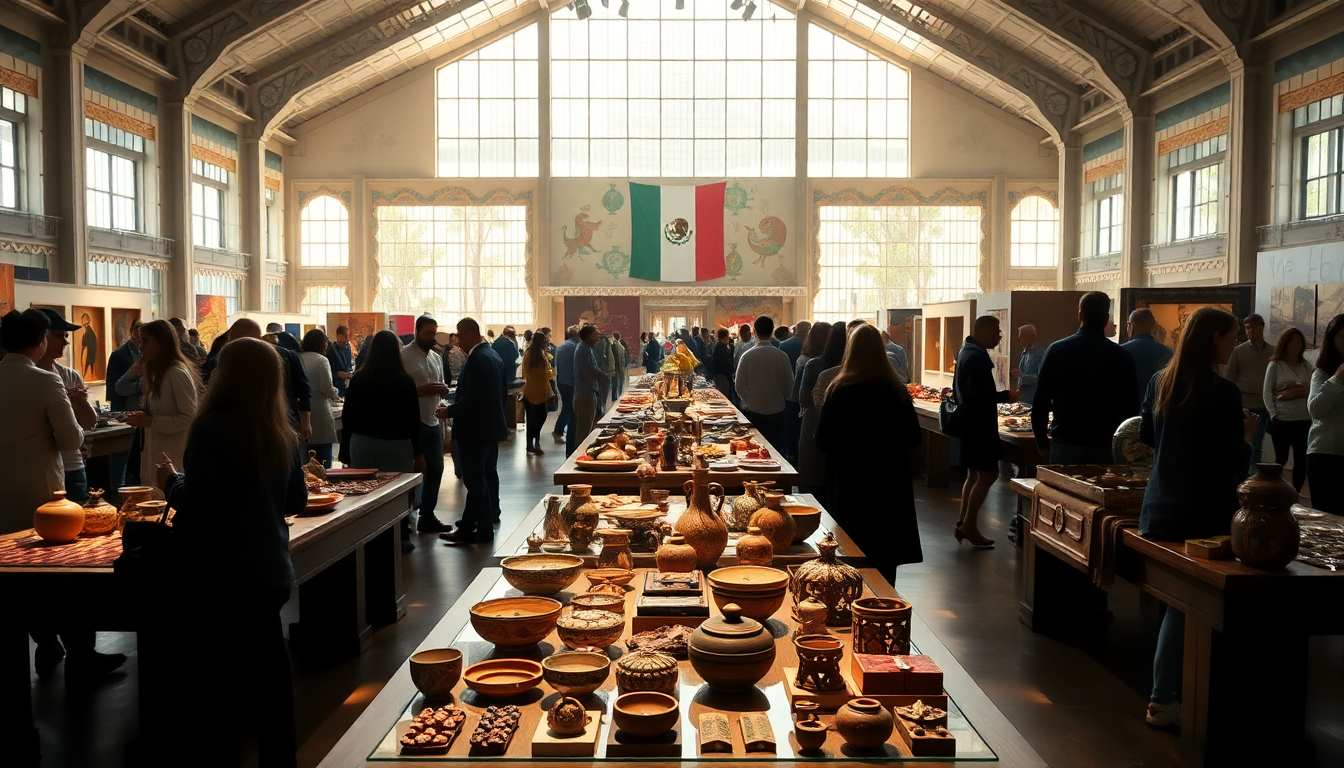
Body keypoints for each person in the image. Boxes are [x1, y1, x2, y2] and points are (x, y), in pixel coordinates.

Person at [158, 337, 306, 766]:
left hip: (220, 572)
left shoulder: (211, 427)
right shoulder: (281, 429)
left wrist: (173, 482)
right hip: (269, 568)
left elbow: (201, 504)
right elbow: (294, 502)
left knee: (217, 686)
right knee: (270, 685)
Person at [1138, 307, 1255, 728]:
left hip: (1161, 504)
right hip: (1203, 509)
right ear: (1213, 339)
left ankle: (1169, 691)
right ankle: (1165, 697)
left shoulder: (1161, 380)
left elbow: (1146, 437)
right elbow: (1231, 459)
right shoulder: (1221, 390)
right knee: (1188, 604)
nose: (1235, 343)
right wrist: (1246, 438)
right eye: (1231, 336)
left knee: (1177, 601)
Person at [1, 309, 126, 679]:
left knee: (12, 578)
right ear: (40, 340)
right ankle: (82, 655)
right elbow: (72, 438)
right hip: (43, 493)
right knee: (65, 575)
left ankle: (43, 639)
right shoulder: (44, 381)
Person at [816, 325, 921, 582]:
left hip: (851, 481)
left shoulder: (839, 390)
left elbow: (822, 440)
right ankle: (883, 610)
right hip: (889, 482)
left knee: (850, 552)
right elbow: (914, 438)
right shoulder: (896, 391)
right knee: (885, 558)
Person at [1031, 292, 1139, 464]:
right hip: (1106, 444)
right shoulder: (1122, 356)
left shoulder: (1057, 350)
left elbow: (1040, 401)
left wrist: (1041, 441)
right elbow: (1132, 406)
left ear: (1080, 315)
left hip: (1066, 442)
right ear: (1106, 319)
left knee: (1063, 490)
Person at [439, 318, 508, 544]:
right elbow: (501, 394)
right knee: (485, 477)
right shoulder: (493, 355)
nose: (458, 341)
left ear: (470, 333)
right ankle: (484, 529)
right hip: (490, 428)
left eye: (459, 335)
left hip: (475, 430)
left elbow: (473, 400)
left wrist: (449, 411)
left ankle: (468, 528)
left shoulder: (477, 359)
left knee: (475, 480)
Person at [953, 316, 1017, 549]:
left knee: (973, 475)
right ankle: (969, 525)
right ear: (985, 329)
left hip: (970, 425)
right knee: (988, 475)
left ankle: (963, 522)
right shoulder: (977, 356)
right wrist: (1005, 396)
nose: (999, 335)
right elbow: (980, 396)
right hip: (980, 426)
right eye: (996, 330)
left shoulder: (966, 351)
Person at [125, 320, 201, 485]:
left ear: (162, 343)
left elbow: (189, 419)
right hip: (154, 459)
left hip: (173, 461)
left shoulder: (177, 374)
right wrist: (144, 417)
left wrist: (152, 421)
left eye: (146, 341)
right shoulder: (156, 374)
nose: (140, 347)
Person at [339, 330, 424, 477]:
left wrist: (345, 452)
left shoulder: (358, 379)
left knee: (363, 492)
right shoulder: (405, 381)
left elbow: (348, 418)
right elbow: (414, 420)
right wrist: (418, 453)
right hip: (395, 445)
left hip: (361, 443)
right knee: (396, 494)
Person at [36, 309, 97, 502]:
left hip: (73, 465)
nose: (66, 342)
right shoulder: (29, 377)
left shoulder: (70, 375)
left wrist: (80, 403)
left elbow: (89, 423)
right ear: (43, 337)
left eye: (66, 336)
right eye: (59, 336)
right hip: (41, 467)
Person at [402, 316, 452, 533]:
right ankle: (404, 518)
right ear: (416, 331)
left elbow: (442, 385)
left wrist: (443, 391)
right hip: (411, 422)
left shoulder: (435, 357)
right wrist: (420, 390)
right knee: (410, 472)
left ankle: (427, 515)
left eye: (434, 333)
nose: (432, 338)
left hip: (432, 421)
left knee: (437, 468)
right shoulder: (404, 356)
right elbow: (397, 390)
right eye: (427, 333)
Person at [232, 320, 313, 445]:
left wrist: (305, 422)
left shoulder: (287, 356)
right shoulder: (230, 359)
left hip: (283, 419)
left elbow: (303, 391)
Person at [1261, 327, 1312, 492]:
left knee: (1301, 460)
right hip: (1282, 419)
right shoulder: (1276, 364)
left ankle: (1295, 495)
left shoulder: (1305, 365)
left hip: (1303, 419)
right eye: (1293, 341)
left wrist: (1299, 391)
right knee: (1280, 459)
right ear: (1286, 343)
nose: (1297, 344)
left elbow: (1313, 389)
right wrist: (1273, 413)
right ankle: (1275, 493)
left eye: (1299, 341)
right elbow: (1267, 391)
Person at [798, 322, 844, 500]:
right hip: (841, 431)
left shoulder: (814, 365)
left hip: (814, 424)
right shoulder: (852, 369)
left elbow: (803, 398)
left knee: (813, 481)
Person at [735, 315, 794, 450]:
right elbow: (790, 385)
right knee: (778, 450)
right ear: (772, 331)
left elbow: (739, 385)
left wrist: (748, 400)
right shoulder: (782, 356)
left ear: (754, 331)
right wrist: (780, 397)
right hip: (777, 410)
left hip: (754, 410)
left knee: (754, 451)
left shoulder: (747, 356)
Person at [1224, 314, 1272, 469]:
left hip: (1263, 404)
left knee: (1257, 446)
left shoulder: (1272, 351)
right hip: (1244, 404)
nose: (1250, 331)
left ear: (1261, 327)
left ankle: (1254, 477)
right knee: (1244, 442)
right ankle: (1242, 477)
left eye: (1253, 327)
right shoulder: (1239, 351)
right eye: (1247, 328)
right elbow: (1229, 378)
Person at [1308, 314, 1344, 514]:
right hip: (1326, 455)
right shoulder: (1322, 373)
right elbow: (1316, 410)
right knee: (1327, 518)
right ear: (1332, 339)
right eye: (1342, 336)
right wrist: (1337, 379)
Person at [106, 319, 143, 489]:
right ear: (132, 332)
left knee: (137, 458)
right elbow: (116, 389)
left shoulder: (145, 355)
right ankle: (118, 491)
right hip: (124, 414)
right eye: (136, 331)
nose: (139, 337)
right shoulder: (119, 355)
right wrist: (141, 386)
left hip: (140, 414)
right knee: (122, 456)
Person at [300, 329, 341, 468]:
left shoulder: (297, 357)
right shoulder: (321, 360)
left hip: (301, 410)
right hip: (319, 410)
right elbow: (326, 387)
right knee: (324, 459)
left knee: (304, 459)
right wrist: (336, 394)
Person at [1122, 309, 1173, 405]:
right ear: (1152, 326)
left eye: (1128, 325)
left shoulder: (1121, 350)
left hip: (1127, 407)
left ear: (1132, 326)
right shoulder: (1166, 352)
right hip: (1156, 407)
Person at [572, 325, 609, 451]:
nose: (598, 336)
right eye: (596, 334)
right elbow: (590, 372)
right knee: (584, 432)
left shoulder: (587, 349)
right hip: (585, 394)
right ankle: (580, 457)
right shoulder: (582, 350)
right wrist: (602, 375)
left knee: (587, 429)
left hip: (589, 392)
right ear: (588, 336)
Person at [780, 320, 810, 465]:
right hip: (809, 391)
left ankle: (790, 454)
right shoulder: (815, 347)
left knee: (791, 425)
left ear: (796, 329)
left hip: (789, 392)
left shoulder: (785, 345)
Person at [521, 330, 555, 455]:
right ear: (541, 341)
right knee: (536, 418)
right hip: (536, 390)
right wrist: (551, 372)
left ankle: (533, 442)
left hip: (536, 390)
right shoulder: (534, 354)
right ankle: (532, 443)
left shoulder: (536, 353)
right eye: (546, 340)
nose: (548, 342)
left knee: (535, 419)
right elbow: (542, 373)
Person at [553, 325, 580, 453]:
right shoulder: (575, 348)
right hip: (570, 382)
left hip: (562, 381)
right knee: (569, 409)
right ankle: (558, 430)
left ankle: (558, 430)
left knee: (566, 407)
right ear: (575, 335)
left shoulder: (562, 346)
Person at [1011, 324, 1045, 405]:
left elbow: (1041, 378)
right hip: (1022, 398)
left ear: (1031, 336)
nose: (1020, 342)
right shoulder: (1024, 352)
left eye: (1022, 338)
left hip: (1033, 399)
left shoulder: (1040, 354)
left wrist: (1021, 376)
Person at [326, 324, 355, 397]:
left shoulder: (348, 348)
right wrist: (337, 373)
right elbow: (327, 368)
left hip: (347, 384)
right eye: (346, 336)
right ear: (339, 336)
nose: (348, 339)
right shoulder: (331, 349)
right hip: (336, 385)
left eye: (348, 336)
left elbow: (350, 363)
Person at [712, 328, 733, 396]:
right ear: (724, 337)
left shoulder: (719, 346)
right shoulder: (721, 347)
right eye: (727, 336)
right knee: (723, 394)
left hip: (719, 374)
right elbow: (725, 361)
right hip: (722, 375)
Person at [610, 331, 626, 401]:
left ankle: (614, 397)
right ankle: (620, 395)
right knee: (620, 382)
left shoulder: (613, 345)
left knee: (615, 382)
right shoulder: (621, 346)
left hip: (615, 366)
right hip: (621, 365)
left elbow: (612, 357)